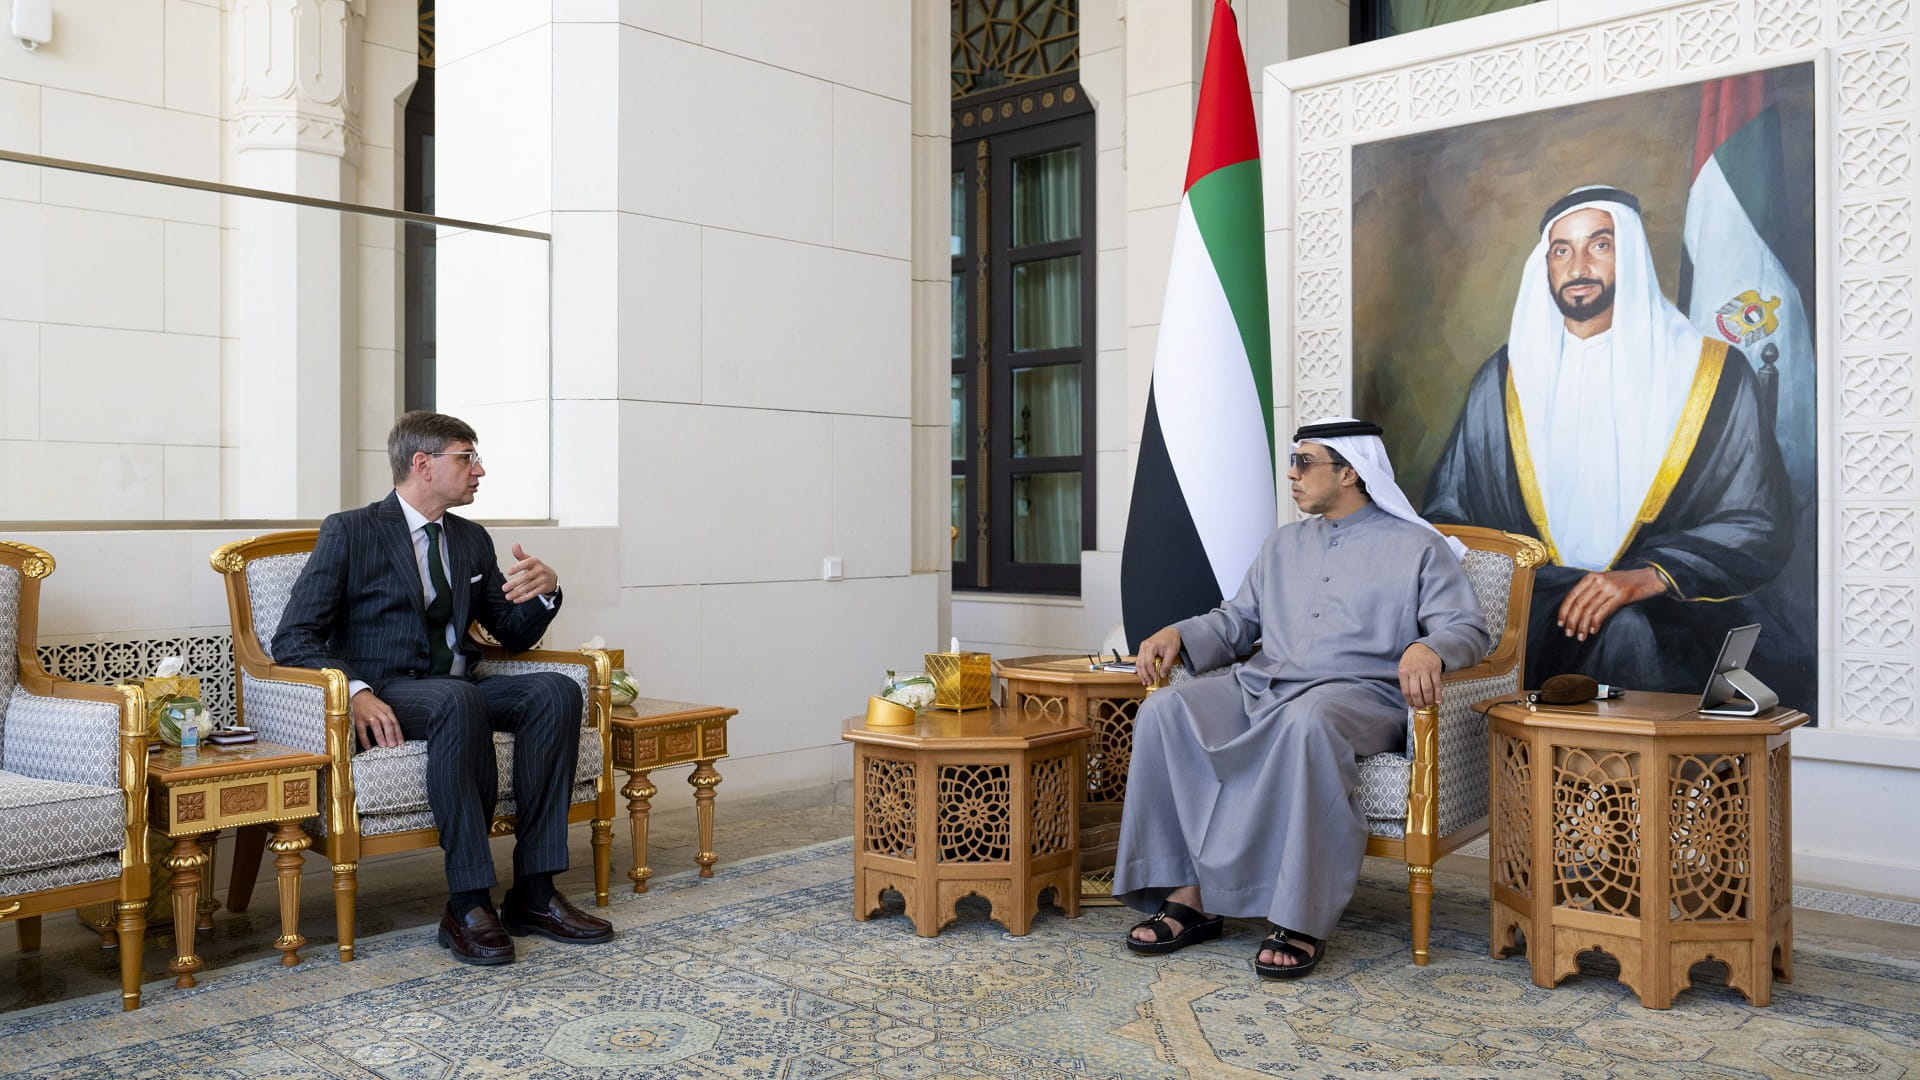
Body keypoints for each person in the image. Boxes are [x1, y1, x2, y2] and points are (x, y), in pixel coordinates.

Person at [1116, 418, 1489, 979]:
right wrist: (1179, 634)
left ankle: (1299, 918)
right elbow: (1237, 622)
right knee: (1164, 710)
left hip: (1359, 695)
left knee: (1306, 720)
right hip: (1264, 685)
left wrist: (1428, 648)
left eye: (1304, 462)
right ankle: (1188, 893)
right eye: (1293, 462)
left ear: (1349, 473)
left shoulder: (1419, 547)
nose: (1291, 474)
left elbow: (1468, 628)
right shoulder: (1282, 544)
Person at [275, 410, 613, 965]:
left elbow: (511, 634)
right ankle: (468, 902)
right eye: (467, 457)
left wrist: (547, 592)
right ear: (423, 464)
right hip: (392, 690)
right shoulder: (351, 531)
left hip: (460, 688)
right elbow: (294, 635)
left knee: (555, 691)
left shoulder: (470, 539)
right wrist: (355, 691)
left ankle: (534, 893)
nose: (479, 470)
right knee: (457, 699)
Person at [1422, 186, 1792, 692]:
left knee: (1629, 631)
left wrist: (1650, 575)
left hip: (1672, 612)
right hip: (1535, 610)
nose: (1578, 266)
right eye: (1562, 250)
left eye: (1599, 245)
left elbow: (1758, 521)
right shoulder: (1503, 378)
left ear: (1630, 254)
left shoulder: (1713, 373)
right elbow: (1449, 516)